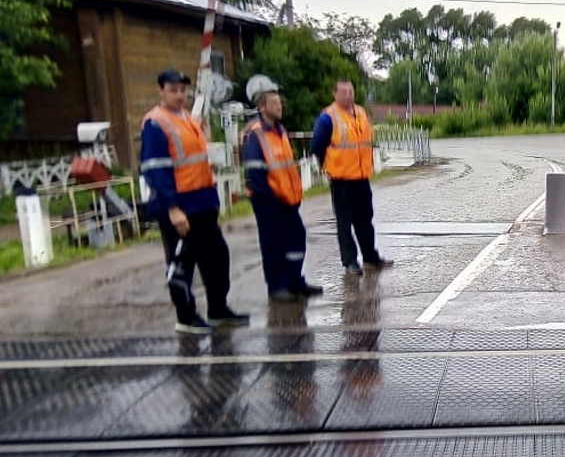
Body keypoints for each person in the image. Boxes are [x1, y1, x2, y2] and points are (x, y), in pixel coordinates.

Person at [140, 69, 249, 334]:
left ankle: (217, 309)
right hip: (180, 206)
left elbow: (196, 158)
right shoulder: (156, 123)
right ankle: (186, 317)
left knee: (216, 258)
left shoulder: (188, 119)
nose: (179, 95)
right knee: (182, 265)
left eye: (182, 90)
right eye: (173, 90)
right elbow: (155, 169)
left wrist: (206, 138)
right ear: (161, 91)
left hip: (202, 201)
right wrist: (173, 209)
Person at [240, 85, 323, 302]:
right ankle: (277, 287)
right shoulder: (255, 132)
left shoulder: (280, 130)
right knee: (273, 244)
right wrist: (270, 198)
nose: (279, 107)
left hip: (287, 199)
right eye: (274, 104)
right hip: (268, 200)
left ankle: (294, 280)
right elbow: (255, 172)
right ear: (262, 106)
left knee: (296, 238)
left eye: (280, 103)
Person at [310, 80, 393, 275]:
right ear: (335, 94)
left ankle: (370, 258)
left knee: (365, 219)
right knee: (344, 222)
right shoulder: (328, 117)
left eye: (351, 91)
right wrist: (328, 166)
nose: (348, 95)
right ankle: (350, 262)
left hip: (361, 177)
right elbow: (317, 146)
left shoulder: (361, 112)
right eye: (344, 92)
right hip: (341, 179)